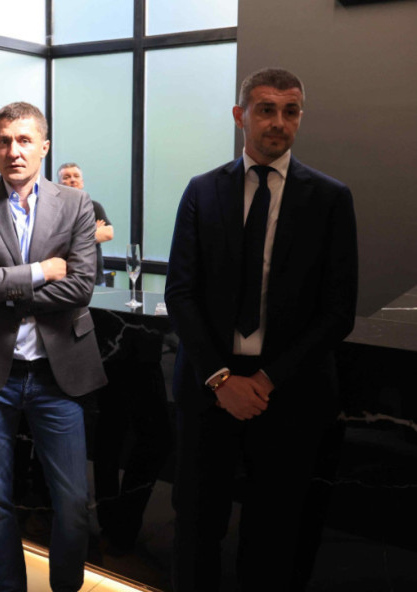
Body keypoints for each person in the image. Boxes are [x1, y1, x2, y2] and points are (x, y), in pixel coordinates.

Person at [165, 68, 358, 591]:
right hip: (209, 388)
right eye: (266, 109)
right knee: (196, 530)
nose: (279, 122)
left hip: (289, 393)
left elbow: (338, 311)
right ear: (240, 116)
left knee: (274, 536)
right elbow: (180, 293)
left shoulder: (330, 198)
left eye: (290, 111)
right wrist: (222, 379)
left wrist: (266, 381)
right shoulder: (202, 191)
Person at [0, 101, 107, 592]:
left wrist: (2, 291)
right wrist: (39, 272)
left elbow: (80, 287)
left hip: (57, 375)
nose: (13, 151)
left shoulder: (76, 203)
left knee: (73, 503)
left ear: (44, 146)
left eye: (24, 140)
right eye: (4, 141)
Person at [57, 163, 113, 286]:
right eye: (66, 177)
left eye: (76, 176)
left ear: (82, 182)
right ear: (58, 184)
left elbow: (108, 233)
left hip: (95, 279)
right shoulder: (54, 209)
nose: (72, 180)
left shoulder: (94, 206)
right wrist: (93, 230)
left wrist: (70, 238)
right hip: (64, 281)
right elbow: (53, 242)